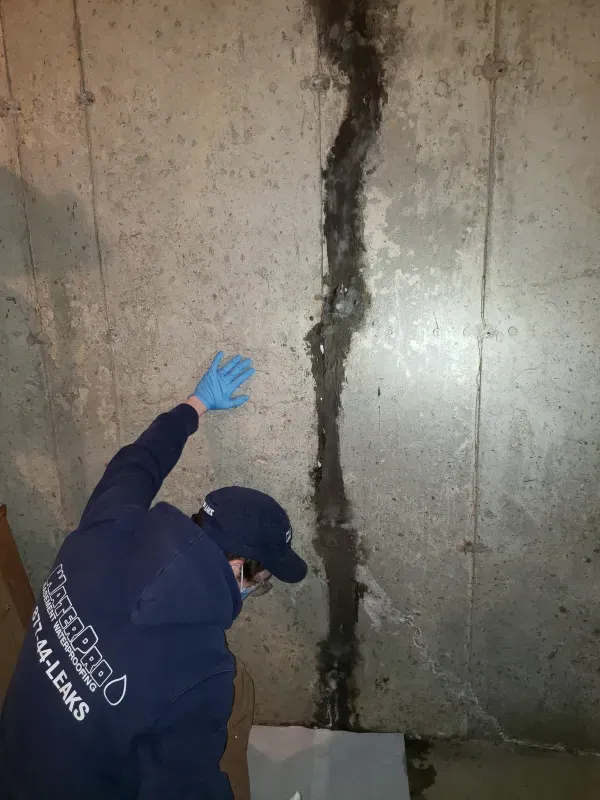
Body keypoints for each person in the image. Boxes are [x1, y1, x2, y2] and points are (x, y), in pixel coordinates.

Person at [0, 351, 307, 800]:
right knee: (240, 691)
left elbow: (139, 461)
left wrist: (195, 405)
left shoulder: (109, 522)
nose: (253, 594)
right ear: (240, 568)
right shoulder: (202, 672)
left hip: (10, 762)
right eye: (260, 585)